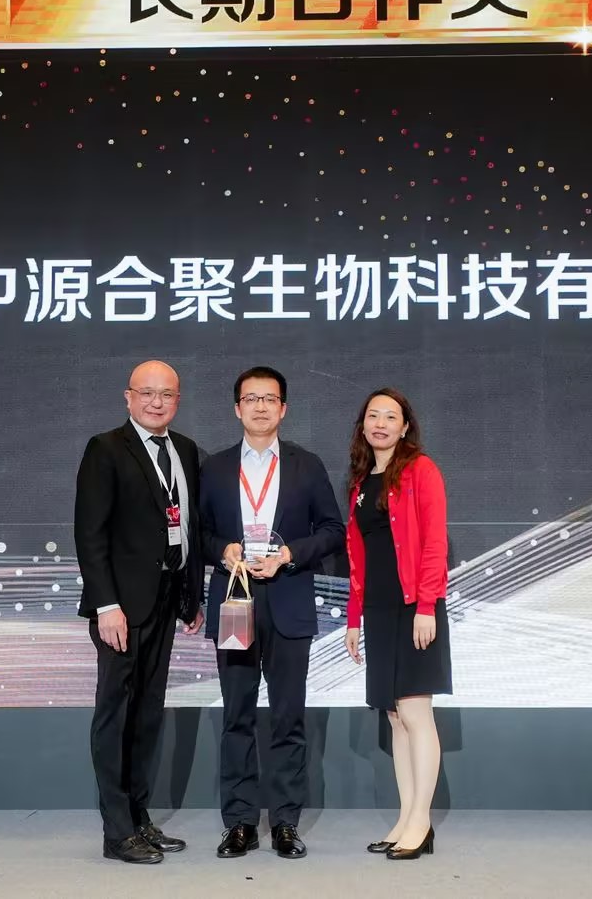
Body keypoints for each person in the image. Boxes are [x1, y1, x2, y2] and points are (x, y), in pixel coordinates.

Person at [199, 366, 345, 859]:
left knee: (287, 718)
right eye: (251, 398)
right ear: (236, 408)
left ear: (283, 408)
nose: (260, 406)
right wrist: (222, 550)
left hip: (288, 599)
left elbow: (332, 530)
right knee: (236, 716)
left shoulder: (307, 465)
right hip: (235, 600)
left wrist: (289, 554)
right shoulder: (215, 468)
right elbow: (199, 534)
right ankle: (239, 822)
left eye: (269, 399)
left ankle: (285, 822)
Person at [75, 360, 205, 864]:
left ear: (178, 400)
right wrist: (106, 604)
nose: (156, 402)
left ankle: (139, 817)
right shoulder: (106, 449)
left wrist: (190, 596)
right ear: (128, 397)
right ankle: (116, 831)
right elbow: (90, 534)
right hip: (121, 610)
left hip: (166, 600)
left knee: (148, 713)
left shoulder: (185, 450)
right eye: (147, 392)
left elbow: (187, 528)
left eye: (166, 394)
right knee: (115, 715)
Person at [341, 387, 452, 860]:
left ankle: (421, 822)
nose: (381, 424)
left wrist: (426, 605)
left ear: (405, 426)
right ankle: (407, 818)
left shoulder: (421, 470)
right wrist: (353, 618)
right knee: (394, 716)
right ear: (363, 425)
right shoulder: (361, 482)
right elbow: (358, 559)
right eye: (373, 416)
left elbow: (434, 543)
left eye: (391, 416)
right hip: (379, 610)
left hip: (414, 607)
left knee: (415, 712)